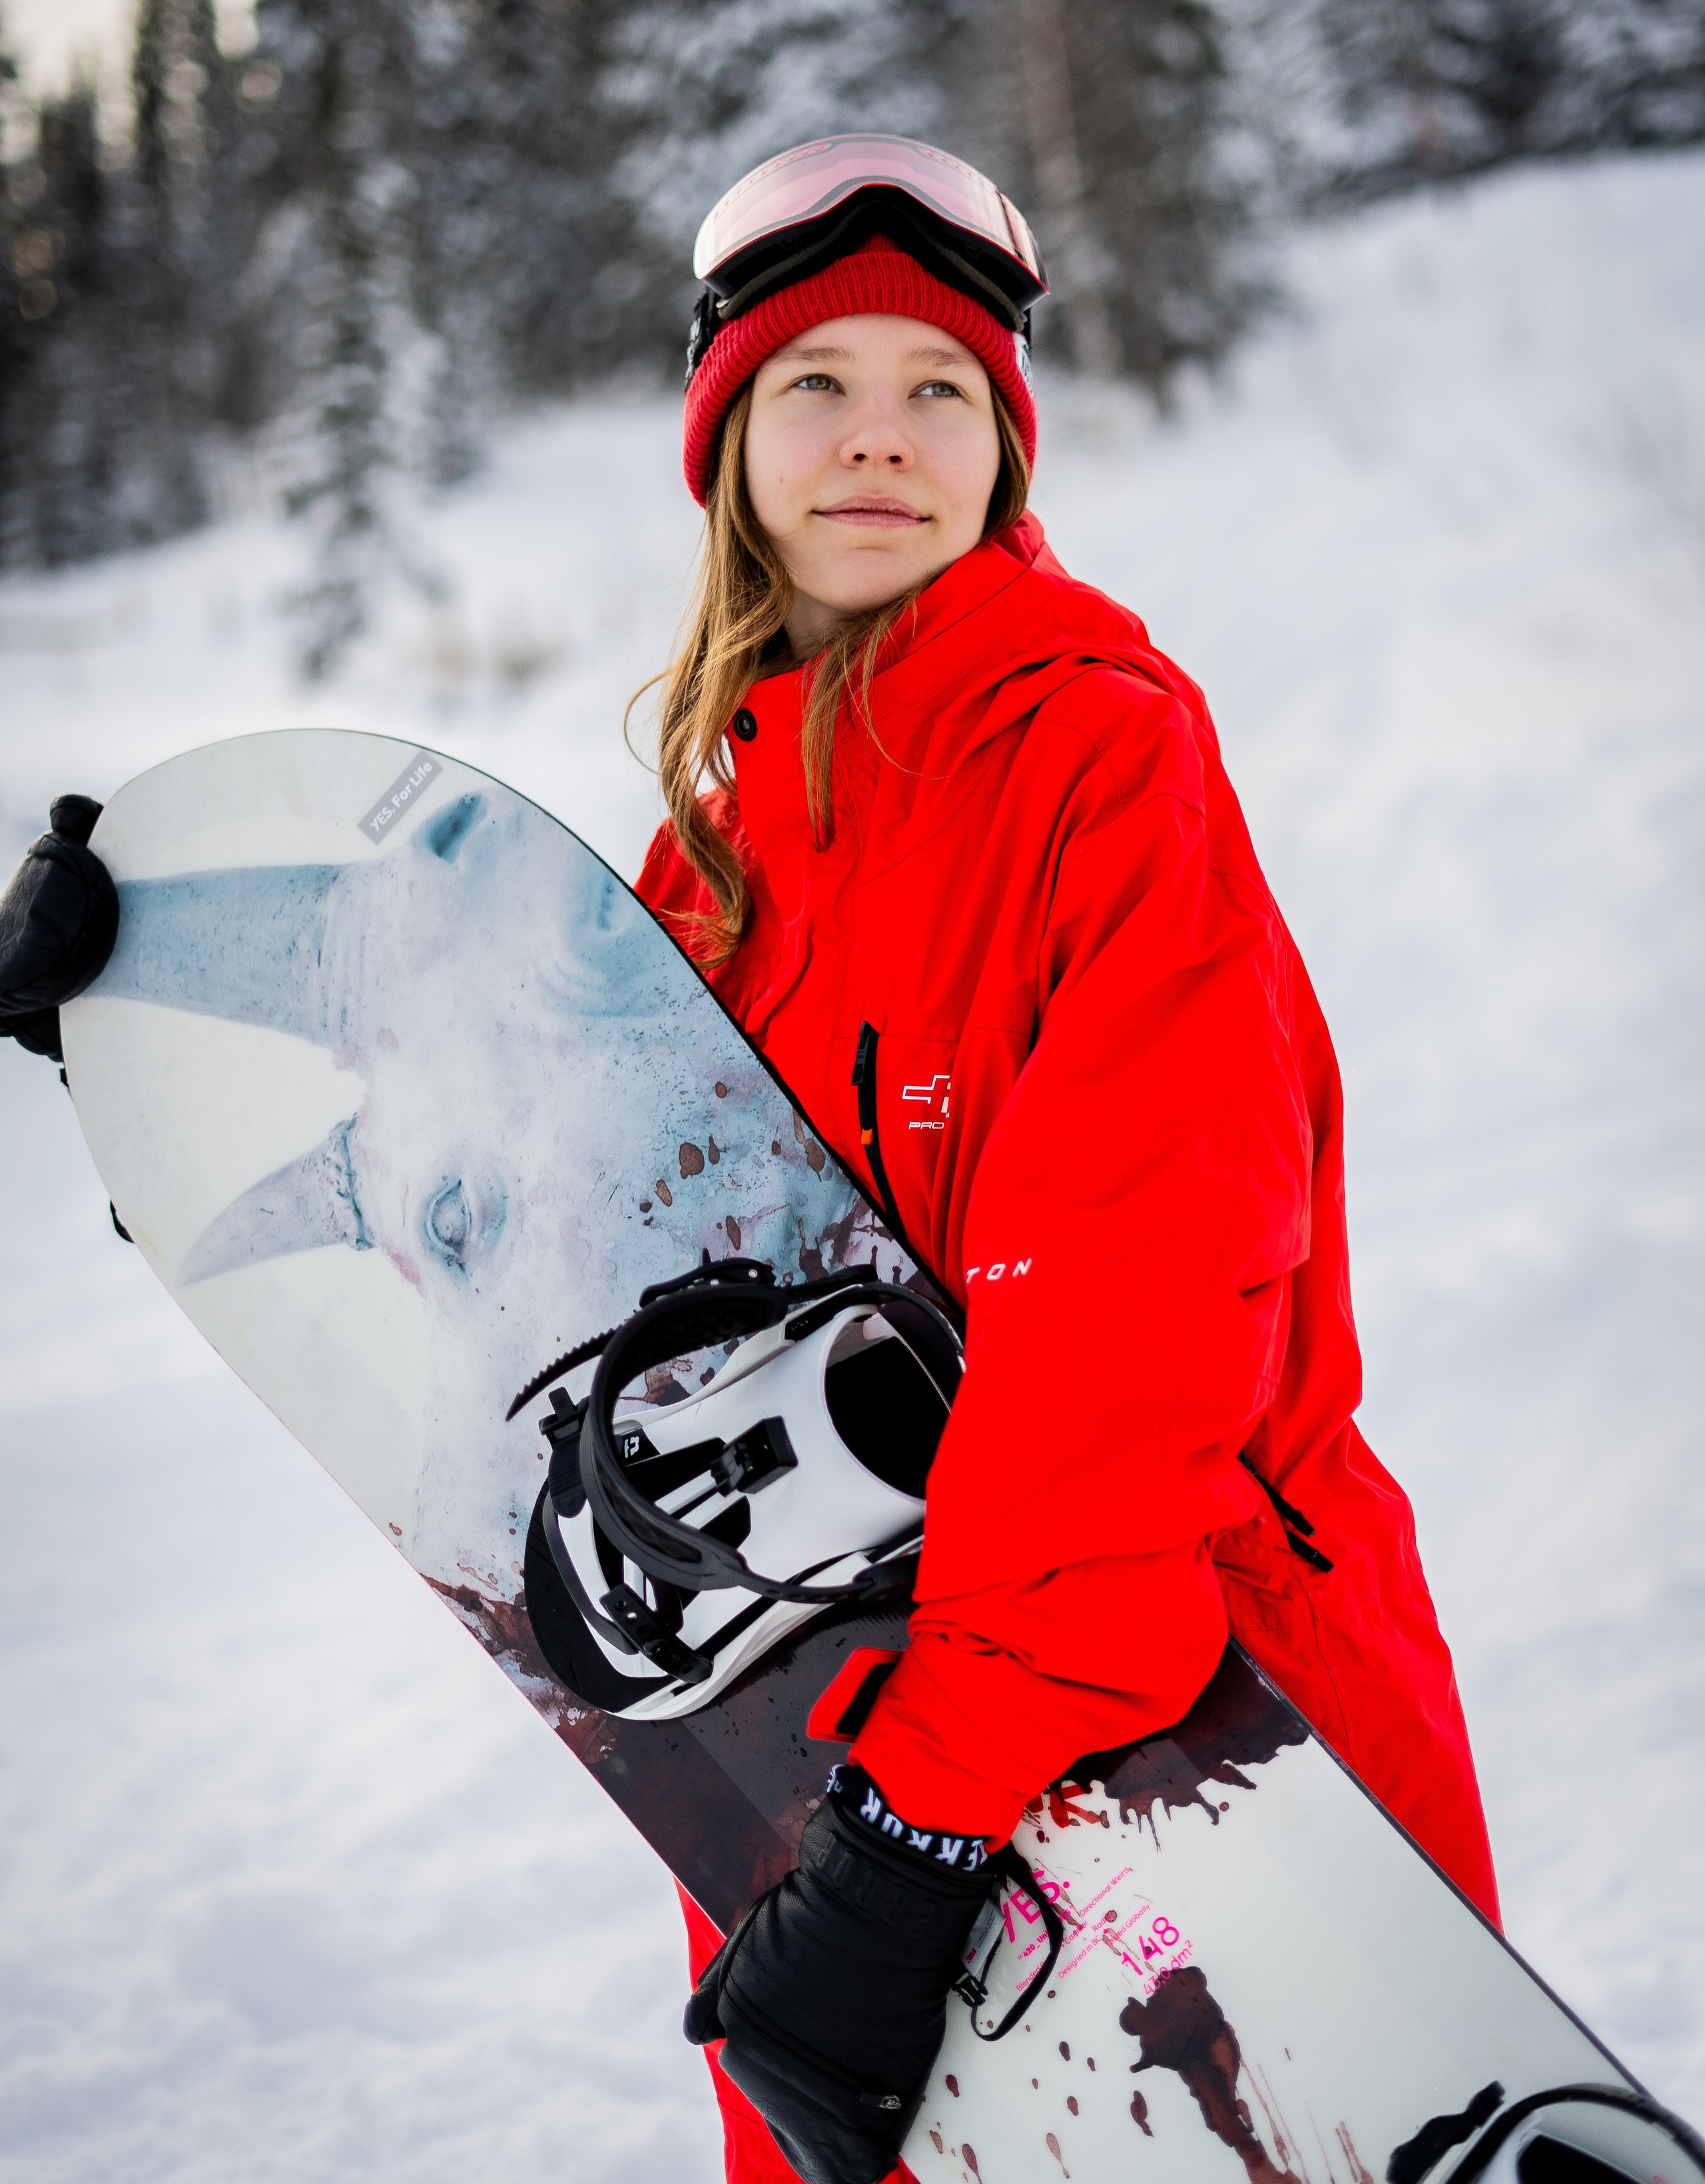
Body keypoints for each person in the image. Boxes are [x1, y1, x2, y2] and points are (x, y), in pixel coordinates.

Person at [0, 136, 1499, 2184]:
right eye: (817, 383)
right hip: (825, 1772)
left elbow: (1138, 1327)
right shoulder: (708, 866)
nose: (882, 436)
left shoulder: (1101, 763)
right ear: (724, 445)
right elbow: (542, 1285)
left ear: (1006, 449)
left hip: (1195, 1753)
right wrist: (142, 1046)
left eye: (941, 389)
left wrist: (920, 1824)